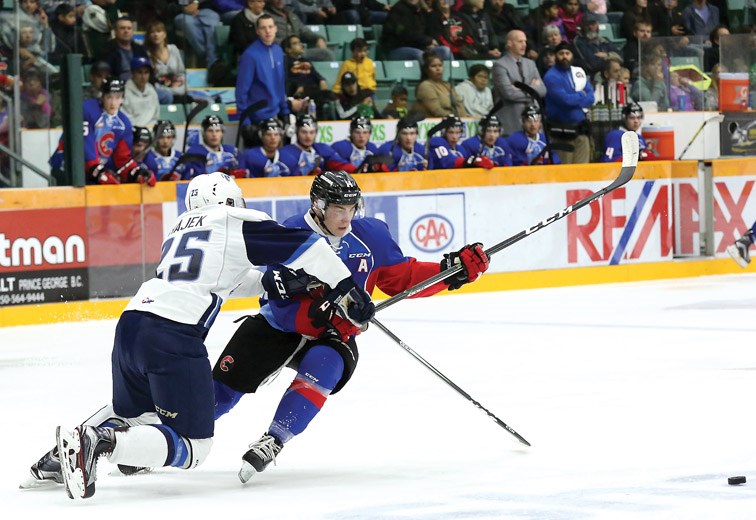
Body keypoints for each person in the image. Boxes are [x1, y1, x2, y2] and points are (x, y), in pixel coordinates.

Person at [32, 171, 374, 499]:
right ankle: (99, 441)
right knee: (195, 446)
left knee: (136, 415)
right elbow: (310, 245)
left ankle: (55, 460)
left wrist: (276, 283)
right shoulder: (230, 220)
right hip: (173, 335)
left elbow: (230, 278)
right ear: (227, 200)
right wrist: (347, 288)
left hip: (132, 324)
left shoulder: (179, 231)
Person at [211, 170, 489, 482]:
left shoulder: (370, 235)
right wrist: (320, 315)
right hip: (279, 326)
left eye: (351, 209)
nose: (346, 218)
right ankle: (167, 436)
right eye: (338, 210)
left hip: (332, 336)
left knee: (326, 364)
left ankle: (273, 440)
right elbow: (278, 298)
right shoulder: (290, 231)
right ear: (318, 206)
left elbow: (401, 278)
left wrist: (449, 272)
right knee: (218, 395)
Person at [49, 78, 156, 186]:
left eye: (117, 97)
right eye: (109, 97)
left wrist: (136, 173)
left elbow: (122, 159)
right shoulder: (87, 109)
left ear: (123, 98)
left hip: (93, 174)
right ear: (102, 96)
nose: (113, 103)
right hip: (67, 167)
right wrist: (99, 171)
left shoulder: (124, 124)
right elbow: (84, 145)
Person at [236, 14, 298, 147]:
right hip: (256, 120)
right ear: (257, 31)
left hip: (275, 117)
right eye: (263, 28)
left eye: (270, 27)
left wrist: (285, 113)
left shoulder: (278, 51)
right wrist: (245, 123)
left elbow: (280, 85)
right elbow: (241, 91)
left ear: (276, 28)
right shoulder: (250, 55)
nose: (268, 31)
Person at [543, 41, 594, 164]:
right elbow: (565, 101)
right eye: (561, 53)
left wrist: (575, 99)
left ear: (572, 55)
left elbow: (591, 98)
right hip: (561, 133)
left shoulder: (578, 72)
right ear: (555, 56)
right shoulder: (551, 76)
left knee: (583, 172)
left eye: (567, 53)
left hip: (581, 131)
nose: (564, 56)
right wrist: (581, 95)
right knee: (565, 173)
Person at [492, 30, 546, 136]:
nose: (524, 45)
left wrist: (521, 89)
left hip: (534, 123)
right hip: (512, 123)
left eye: (525, 42)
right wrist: (533, 90)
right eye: (520, 41)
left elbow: (543, 90)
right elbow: (509, 93)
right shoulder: (500, 65)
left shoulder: (531, 64)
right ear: (509, 43)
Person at [280, 114, 355, 175]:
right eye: (304, 132)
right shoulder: (286, 152)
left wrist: (358, 170)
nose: (308, 136)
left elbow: (340, 165)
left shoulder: (321, 148)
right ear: (296, 132)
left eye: (312, 132)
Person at [381, 0, 453, 62]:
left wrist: (431, 43)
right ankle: (425, 78)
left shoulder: (422, 10)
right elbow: (405, 34)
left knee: (445, 51)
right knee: (420, 55)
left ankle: (452, 78)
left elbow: (433, 31)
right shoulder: (398, 9)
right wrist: (427, 41)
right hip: (397, 48)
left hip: (420, 46)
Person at [427, 114, 495, 170]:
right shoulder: (436, 142)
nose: (454, 137)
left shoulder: (461, 149)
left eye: (458, 133)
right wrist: (472, 161)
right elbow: (447, 162)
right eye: (451, 132)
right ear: (444, 132)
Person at [144, 21, 188, 105]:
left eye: (158, 31)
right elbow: (151, 80)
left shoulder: (173, 49)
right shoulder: (147, 54)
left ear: (164, 34)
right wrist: (169, 91)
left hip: (178, 87)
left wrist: (179, 87)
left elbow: (182, 73)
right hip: (160, 90)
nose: (156, 34)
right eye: (152, 32)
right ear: (149, 36)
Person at [413, 52, 468, 118]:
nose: (438, 69)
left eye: (440, 65)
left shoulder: (448, 85)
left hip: (455, 121)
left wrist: (463, 118)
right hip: (436, 122)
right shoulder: (425, 86)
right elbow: (437, 111)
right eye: (433, 66)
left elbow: (459, 104)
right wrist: (455, 118)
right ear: (426, 70)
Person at [174, 0, 220, 68]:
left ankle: (211, 60)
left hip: (204, 10)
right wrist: (186, 7)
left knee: (213, 18)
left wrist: (196, 2)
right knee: (188, 23)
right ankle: (209, 58)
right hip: (182, 13)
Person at [572, 14, 620, 80]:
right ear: (582, 26)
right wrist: (611, 59)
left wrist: (607, 55)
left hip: (608, 76)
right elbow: (592, 65)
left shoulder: (604, 40)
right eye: (587, 25)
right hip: (589, 77)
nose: (590, 27)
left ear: (597, 25)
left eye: (593, 24)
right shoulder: (578, 42)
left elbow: (620, 57)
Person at [102, 16, 148, 82]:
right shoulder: (108, 50)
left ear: (132, 32)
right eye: (122, 28)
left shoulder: (139, 49)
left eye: (129, 28)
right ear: (115, 32)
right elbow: (107, 75)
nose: (126, 31)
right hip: (119, 86)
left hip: (141, 84)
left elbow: (147, 69)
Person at [122, 56, 160, 128]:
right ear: (132, 73)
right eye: (139, 72)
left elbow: (156, 116)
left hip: (151, 130)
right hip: (134, 133)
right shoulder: (125, 92)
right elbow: (127, 120)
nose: (143, 77)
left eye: (146, 72)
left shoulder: (151, 90)